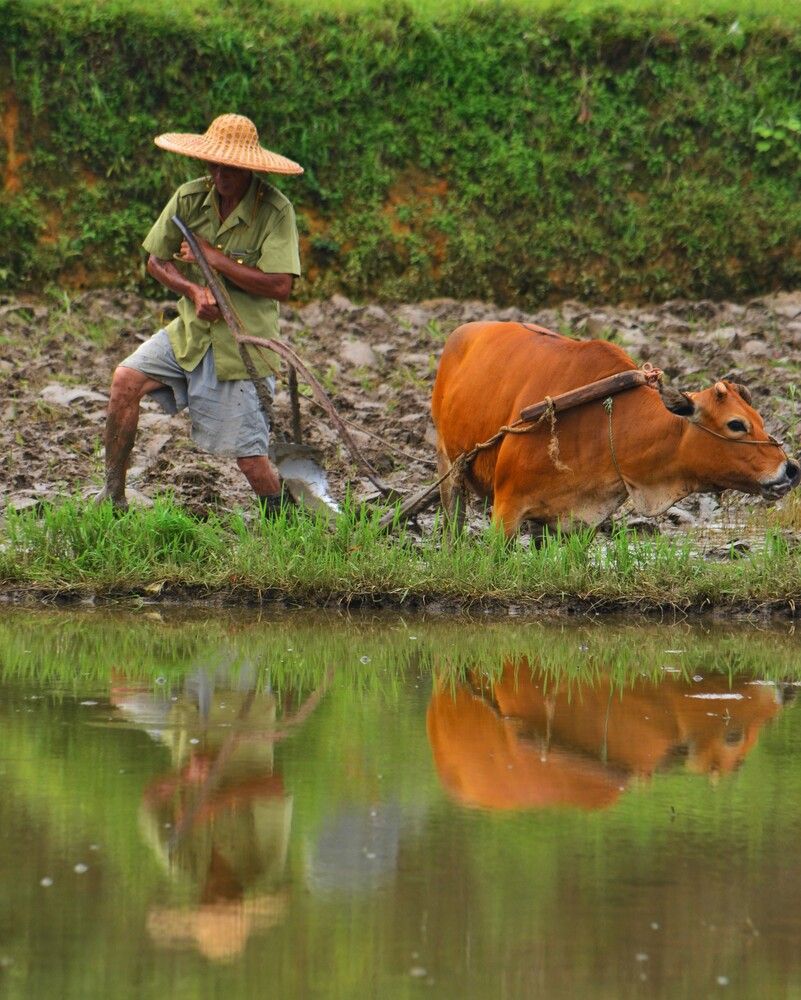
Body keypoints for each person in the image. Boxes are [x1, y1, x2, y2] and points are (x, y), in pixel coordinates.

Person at [97, 113, 303, 514]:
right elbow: (156, 261)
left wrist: (214, 258)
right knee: (125, 380)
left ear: (249, 168)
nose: (220, 175)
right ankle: (113, 497)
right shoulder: (190, 197)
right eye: (214, 165)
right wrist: (192, 290)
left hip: (243, 343)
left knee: (250, 459)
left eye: (230, 168)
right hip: (191, 333)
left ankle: (287, 525)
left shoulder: (275, 210)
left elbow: (280, 286)